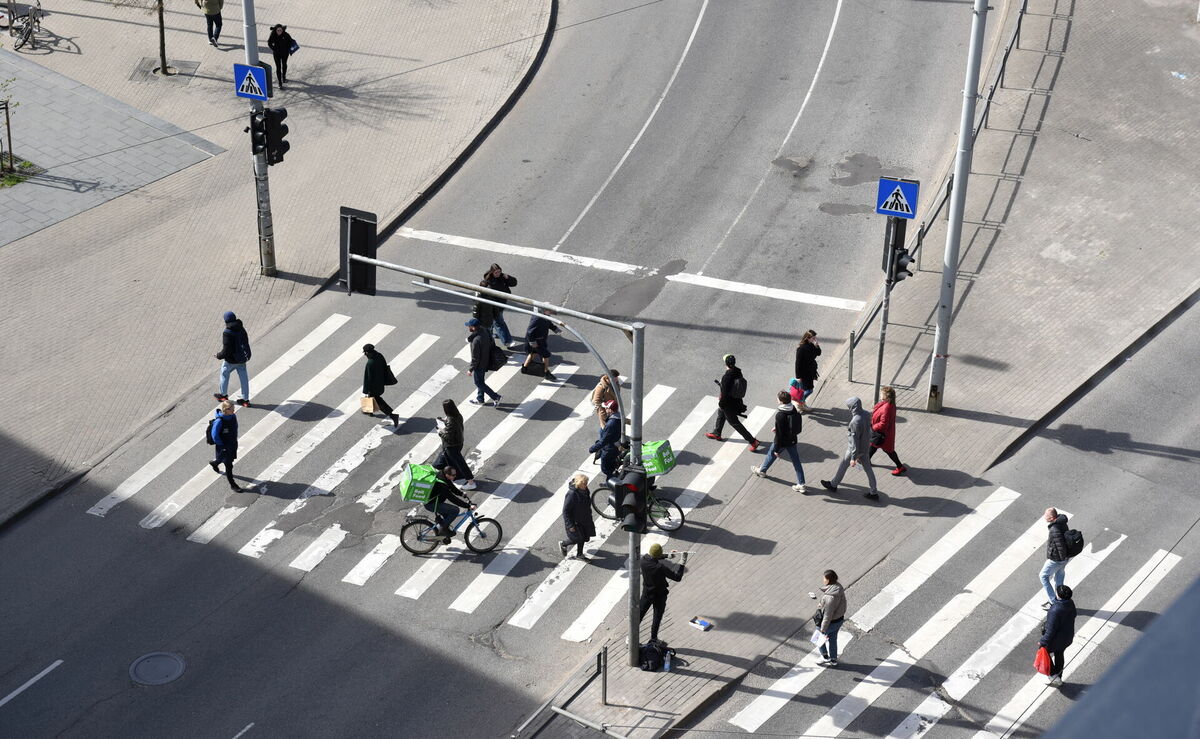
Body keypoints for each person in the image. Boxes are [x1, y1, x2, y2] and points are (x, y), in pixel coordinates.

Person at [820, 397, 880, 499]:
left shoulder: (855, 421)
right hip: (865, 447)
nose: (849, 409)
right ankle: (874, 492)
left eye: (849, 407)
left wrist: (853, 457)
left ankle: (833, 485)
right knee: (868, 469)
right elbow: (869, 430)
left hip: (855, 450)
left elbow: (855, 441)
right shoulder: (866, 414)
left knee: (843, 464)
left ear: (853, 407)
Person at [751, 391, 807, 492]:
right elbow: (789, 424)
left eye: (778, 399)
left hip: (782, 441)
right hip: (792, 439)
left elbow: (780, 435)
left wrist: (777, 449)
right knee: (796, 462)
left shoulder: (780, 415)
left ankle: (762, 471)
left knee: (772, 453)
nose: (776, 400)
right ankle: (801, 484)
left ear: (781, 402)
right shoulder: (792, 408)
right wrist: (777, 427)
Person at [705, 354, 760, 451]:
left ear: (725, 363)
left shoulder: (727, 376)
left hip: (728, 403)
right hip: (736, 400)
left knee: (734, 422)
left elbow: (725, 393)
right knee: (721, 413)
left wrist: (721, 403)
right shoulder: (738, 372)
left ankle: (753, 441)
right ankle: (717, 432)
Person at [639, 543, 684, 643]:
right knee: (657, 617)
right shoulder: (660, 567)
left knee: (639, 615)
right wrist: (682, 562)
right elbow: (677, 577)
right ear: (659, 554)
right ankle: (653, 638)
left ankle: (631, 637)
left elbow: (653, 557)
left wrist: (667, 556)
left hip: (647, 593)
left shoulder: (643, 560)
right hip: (659, 595)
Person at [1040, 584, 1077, 686]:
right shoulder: (1070, 603)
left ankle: (1052, 675)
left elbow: (1051, 630)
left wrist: (1043, 642)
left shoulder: (1055, 610)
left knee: (1044, 651)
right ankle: (1059, 676)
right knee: (1059, 654)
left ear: (1059, 596)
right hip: (1067, 637)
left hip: (1056, 639)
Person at [214, 310, 252, 407]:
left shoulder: (227, 332)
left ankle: (223, 395)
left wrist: (218, 355)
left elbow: (227, 350)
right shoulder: (241, 327)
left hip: (231, 360)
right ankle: (245, 400)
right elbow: (245, 341)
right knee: (243, 378)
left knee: (224, 374)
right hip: (242, 358)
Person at [435, 399, 475, 490]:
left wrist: (439, 432)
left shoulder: (451, 420)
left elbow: (448, 437)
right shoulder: (458, 415)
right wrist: (444, 420)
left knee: (460, 463)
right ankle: (445, 474)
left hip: (451, 446)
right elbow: (452, 425)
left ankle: (470, 482)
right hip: (458, 443)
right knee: (444, 459)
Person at [423, 466, 473, 537]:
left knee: (447, 517)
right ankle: (442, 530)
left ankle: (442, 531)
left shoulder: (442, 475)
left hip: (435, 502)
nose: (455, 476)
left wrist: (461, 494)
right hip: (432, 504)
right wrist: (467, 506)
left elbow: (452, 487)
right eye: (453, 475)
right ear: (447, 474)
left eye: (455, 474)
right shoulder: (442, 485)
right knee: (455, 510)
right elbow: (452, 499)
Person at [869, 385, 908, 475]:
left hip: (883, 434)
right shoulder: (889, 403)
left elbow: (883, 424)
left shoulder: (887, 407)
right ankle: (866, 460)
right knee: (874, 445)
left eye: (882, 394)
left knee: (887, 450)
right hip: (885, 433)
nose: (880, 396)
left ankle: (900, 466)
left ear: (886, 397)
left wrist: (874, 427)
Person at [464, 318, 502, 407]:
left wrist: (470, 369)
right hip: (486, 360)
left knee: (478, 383)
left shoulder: (476, 341)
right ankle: (480, 398)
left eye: (469, 326)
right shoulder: (484, 330)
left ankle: (496, 397)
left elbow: (475, 358)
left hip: (480, 364)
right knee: (481, 381)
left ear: (473, 327)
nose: (468, 327)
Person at [1040, 507, 1071, 610]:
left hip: (1057, 559)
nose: (1044, 516)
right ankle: (1061, 598)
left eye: (1046, 515)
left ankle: (1053, 601)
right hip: (1065, 557)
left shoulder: (1054, 529)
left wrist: (1062, 560)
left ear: (1052, 518)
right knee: (1059, 578)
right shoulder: (1062, 522)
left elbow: (1060, 545)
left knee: (1043, 576)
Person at [362, 344, 400, 427]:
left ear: (368, 352)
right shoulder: (379, 355)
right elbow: (384, 367)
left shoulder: (370, 363)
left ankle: (393, 416)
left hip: (374, 387)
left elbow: (368, 379)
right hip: (380, 383)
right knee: (373, 398)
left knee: (378, 401)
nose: (365, 354)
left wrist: (366, 390)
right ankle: (370, 411)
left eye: (365, 353)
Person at [558, 474, 595, 559]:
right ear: (579, 483)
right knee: (577, 538)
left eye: (586, 483)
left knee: (584, 537)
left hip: (584, 519)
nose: (586, 485)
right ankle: (564, 544)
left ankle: (580, 554)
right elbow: (566, 511)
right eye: (584, 483)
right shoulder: (572, 494)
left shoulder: (585, 490)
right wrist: (570, 525)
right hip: (575, 521)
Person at [208, 400, 242, 491]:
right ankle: (233, 484)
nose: (234, 410)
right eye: (232, 409)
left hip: (232, 444)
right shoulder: (219, 421)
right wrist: (222, 446)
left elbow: (235, 427)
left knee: (222, 459)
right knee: (229, 465)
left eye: (234, 408)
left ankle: (214, 463)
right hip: (223, 446)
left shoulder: (233, 416)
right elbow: (215, 435)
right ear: (226, 409)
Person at [816, 569, 847, 666]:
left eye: (824, 578)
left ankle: (825, 657)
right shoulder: (838, 587)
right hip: (839, 619)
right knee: (833, 639)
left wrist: (822, 629)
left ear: (829, 580)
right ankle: (833, 659)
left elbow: (827, 615)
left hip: (831, 622)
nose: (823, 580)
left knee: (818, 638)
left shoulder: (830, 597)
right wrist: (822, 603)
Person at [483, 263, 518, 348]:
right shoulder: (488, 281)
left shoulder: (502, 277)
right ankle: (507, 341)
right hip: (493, 305)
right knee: (499, 322)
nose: (498, 274)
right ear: (492, 272)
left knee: (491, 322)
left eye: (499, 272)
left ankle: (488, 335)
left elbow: (514, 283)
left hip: (501, 304)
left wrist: (508, 278)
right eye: (496, 273)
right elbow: (483, 292)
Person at [522, 313, 561, 381]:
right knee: (546, 355)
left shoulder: (545, 315)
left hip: (539, 340)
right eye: (549, 310)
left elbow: (548, 322)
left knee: (533, 353)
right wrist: (533, 342)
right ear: (544, 310)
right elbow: (530, 331)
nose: (551, 311)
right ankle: (546, 372)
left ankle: (524, 368)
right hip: (537, 341)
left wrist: (555, 329)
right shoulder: (537, 318)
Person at [589, 401, 622, 477]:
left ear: (610, 410)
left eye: (606, 408)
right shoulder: (619, 417)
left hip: (609, 448)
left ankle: (611, 482)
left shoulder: (611, 424)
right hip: (616, 445)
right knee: (611, 464)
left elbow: (604, 441)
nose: (605, 409)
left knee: (606, 469)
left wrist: (592, 449)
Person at [793, 330, 821, 411]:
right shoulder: (801, 349)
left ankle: (802, 404)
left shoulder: (811, 345)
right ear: (807, 338)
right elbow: (797, 363)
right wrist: (798, 377)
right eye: (813, 338)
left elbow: (818, 353)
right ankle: (800, 402)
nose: (815, 339)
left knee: (806, 389)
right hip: (804, 373)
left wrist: (817, 345)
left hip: (811, 371)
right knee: (809, 390)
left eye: (815, 337)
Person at [266, 24, 294, 88]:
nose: (279, 32)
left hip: (284, 53)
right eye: (278, 30)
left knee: (284, 65)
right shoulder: (273, 35)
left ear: (282, 30)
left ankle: (284, 77)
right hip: (276, 54)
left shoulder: (286, 35)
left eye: (280, 30)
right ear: (275, 30)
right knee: (278, 67)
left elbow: (290, 41)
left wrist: (287, 49)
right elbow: (269, 43)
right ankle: (280, 83)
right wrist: (274, 49)